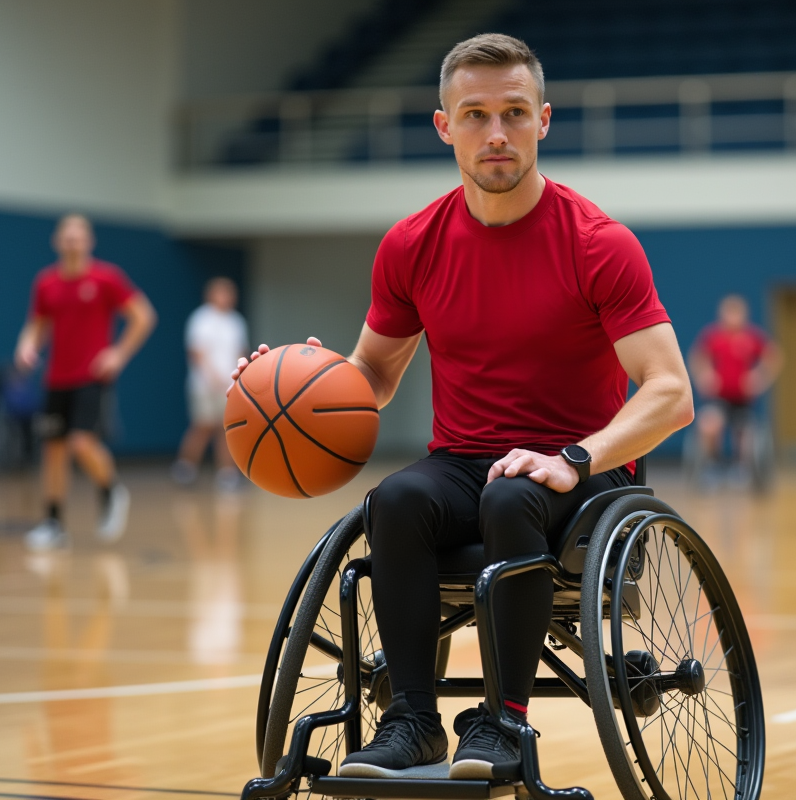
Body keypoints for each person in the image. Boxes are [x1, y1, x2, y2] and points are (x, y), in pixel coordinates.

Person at [230, 34, 692, 780]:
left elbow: (671, 393)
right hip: (465, 462)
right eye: (475, 115)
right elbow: (371, 376)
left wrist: (572, 459)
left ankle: (505, 722)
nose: (497, 133)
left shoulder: (599, 244)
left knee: (515, 494)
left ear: (544, 119)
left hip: (584, 475)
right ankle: (412, 720)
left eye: (514, 112)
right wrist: (294, 385)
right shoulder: (412, 245)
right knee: (398, 499)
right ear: (444, 126)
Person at [16, 214, 157, 550]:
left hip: (91, 377)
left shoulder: (106, 278)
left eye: (79, 236)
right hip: (56, 378)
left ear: (89, 242)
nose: (72, 241)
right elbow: (37, 324)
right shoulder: (46, 283)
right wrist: (26, 345)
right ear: (57, 241)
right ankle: (53, 523)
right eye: (67, 236)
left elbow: (144, 316)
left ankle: (110, 490)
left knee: (81, 442)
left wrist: (118, 355)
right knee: (53, 450)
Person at [688, 295, 782, 468]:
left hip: (743, 401)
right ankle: (712, 465)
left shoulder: (752, 337)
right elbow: (698, 358)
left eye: (736, 313)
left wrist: (759, 377)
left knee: (746, 435)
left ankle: (743, 468)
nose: (732, 317)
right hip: (719, 399)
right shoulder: (713, 336)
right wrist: (705, 376)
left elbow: (773, 357)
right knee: (708, 424)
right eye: (729, 313)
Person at [172, 277, 248, 490]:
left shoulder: (236, 321)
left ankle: (227, 475)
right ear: (211, 294)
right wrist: (213, 376)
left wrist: (239, 376)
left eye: (230, 292)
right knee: (202, 426)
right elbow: (197, 352)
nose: (226, 297)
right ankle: (185, 469)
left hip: (229, 386)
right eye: (222, 292)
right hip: (204, 386)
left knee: (227, 429)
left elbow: (240, 351)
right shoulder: (202, 319)